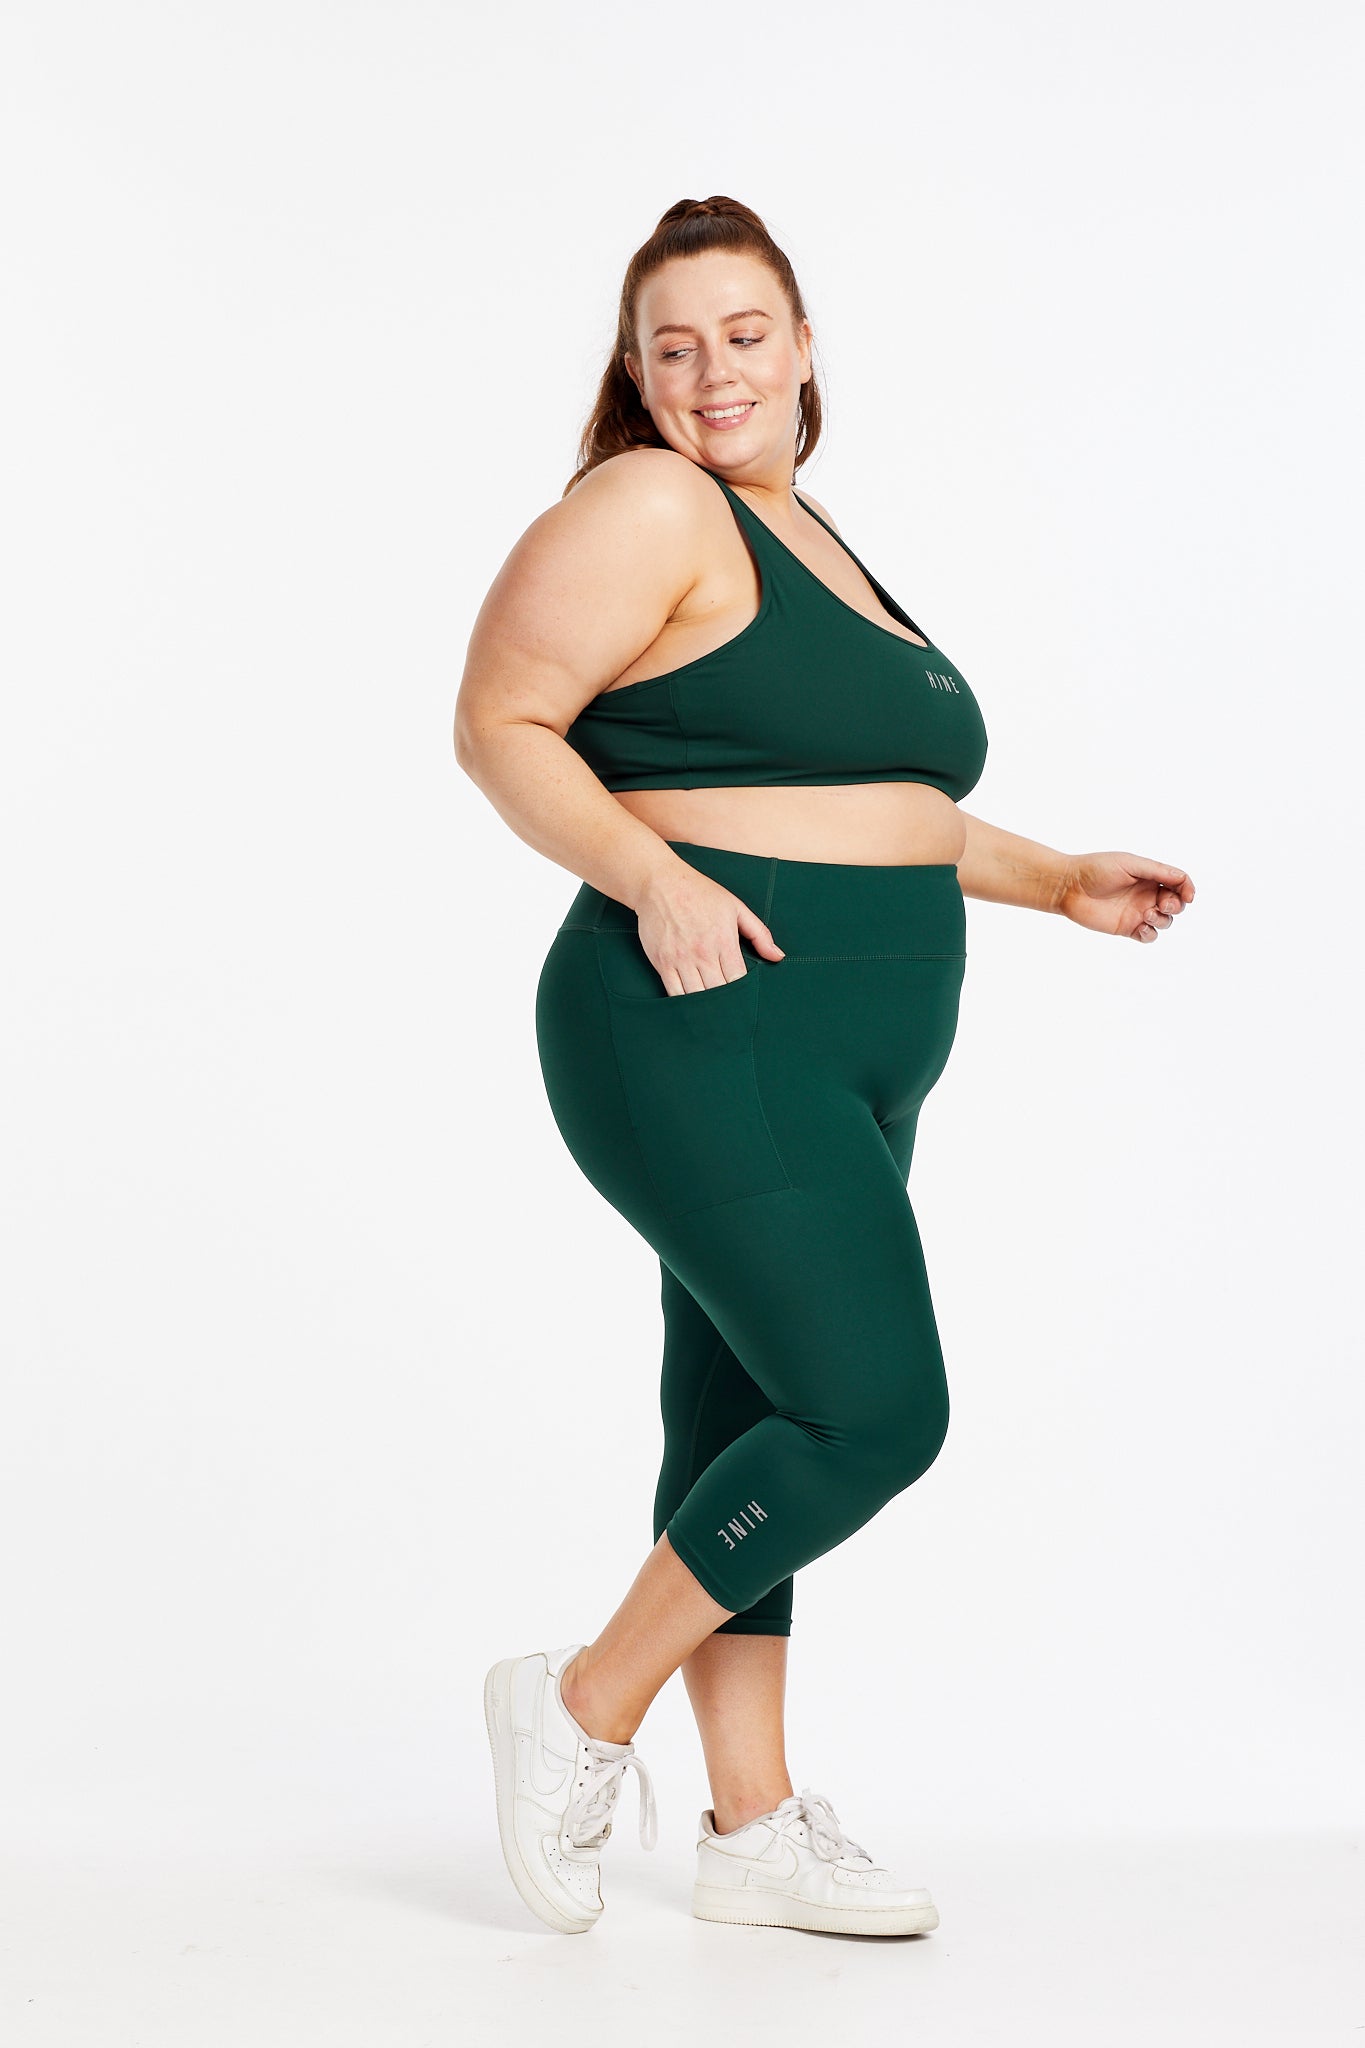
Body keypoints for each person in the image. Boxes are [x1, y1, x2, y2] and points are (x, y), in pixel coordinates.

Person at [454, 195, 1194, 1939]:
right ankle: (577, 1705)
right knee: (872, 1412)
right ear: (636, 373)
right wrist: (646, 875)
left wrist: (1055, 877)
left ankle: (750, 1824)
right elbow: (498, 722)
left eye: (744, 333)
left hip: (845, 1049)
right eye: (673, 345)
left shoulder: (814, 535)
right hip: (702, 1016)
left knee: (748, 1414)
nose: (713, 369)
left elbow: (886, 809)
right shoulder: (652, 503)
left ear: (802, 348)